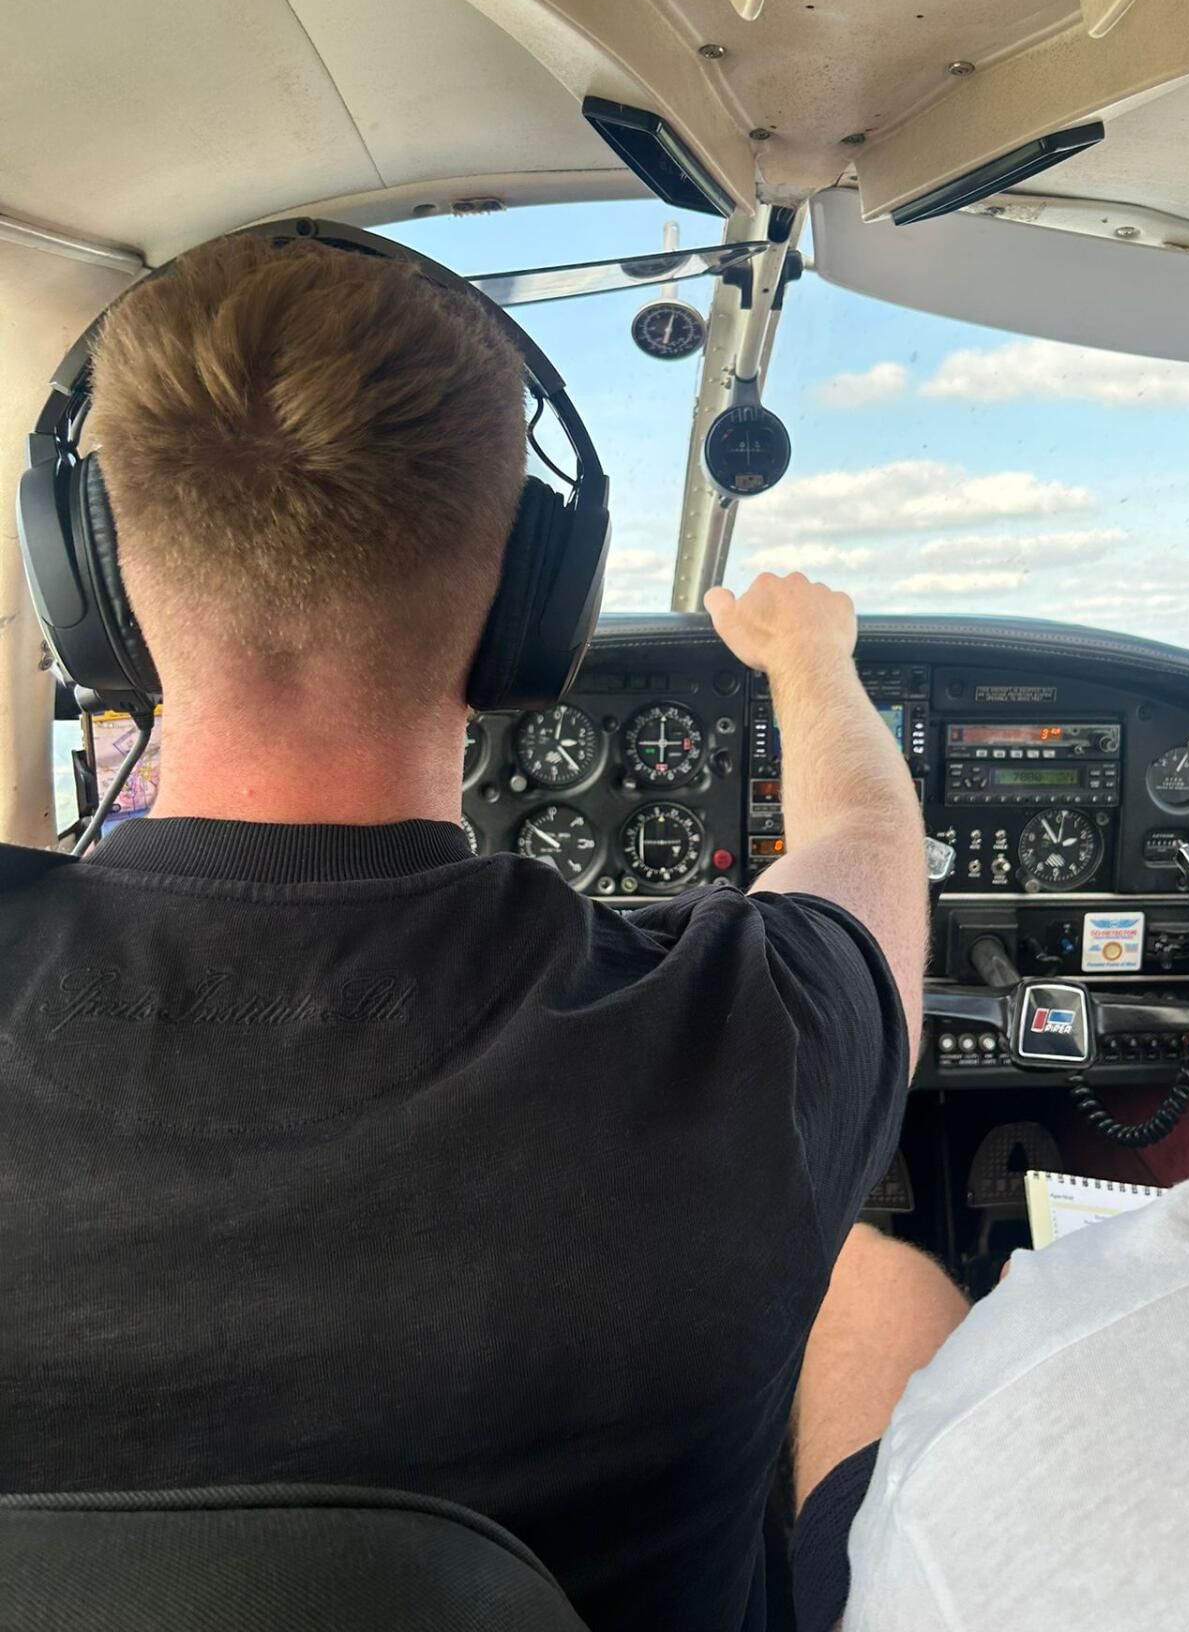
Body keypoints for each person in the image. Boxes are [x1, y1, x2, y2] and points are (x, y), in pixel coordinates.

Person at [0, 231, 930, 1632]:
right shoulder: (740, 1043)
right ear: (537, 610)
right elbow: (865, 848)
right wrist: (812, 662)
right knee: (881, 1280)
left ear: (95, 592)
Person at [789, 826, 1189, 1632]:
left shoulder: (1061, 1330)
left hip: (897, 1566)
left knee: (860, 1269)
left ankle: (877, 1199)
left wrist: (1033, 1318)